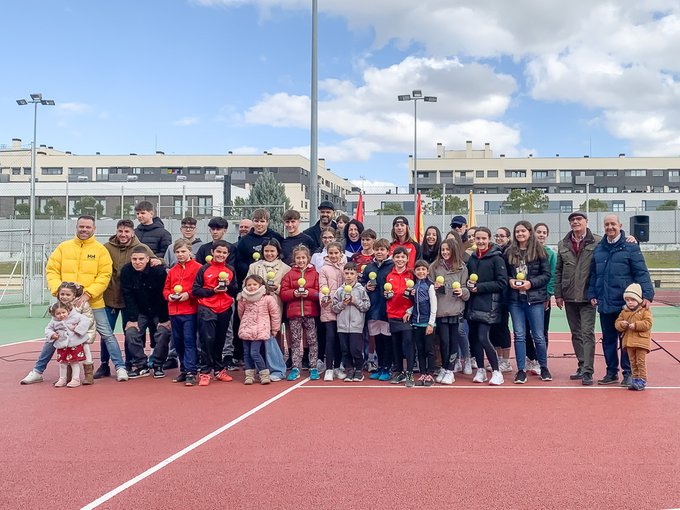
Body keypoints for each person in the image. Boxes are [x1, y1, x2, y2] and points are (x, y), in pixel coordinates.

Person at [21, 215, 129, 384]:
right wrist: (59, 291)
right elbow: (52, 270)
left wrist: (89, 294)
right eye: (81, 226)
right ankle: (37, 371)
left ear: (94, 229)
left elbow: (105, 275)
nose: (84, 230)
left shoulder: (101, 250)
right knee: (55, 335)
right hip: (66, 306)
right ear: (77, 227)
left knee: (107, 334)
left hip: (94, 303)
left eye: (88, 227)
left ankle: (120, 367)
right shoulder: (64, 248)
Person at [588, 214, 654, 387]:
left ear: (620, 225)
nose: (610, 227)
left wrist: (647, 294)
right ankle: (611, 373)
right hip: (605, 302)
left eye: (613, 224)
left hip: (627, 305)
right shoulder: (599, 248)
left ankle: (628, 373)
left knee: (627, 341)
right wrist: (592, 293)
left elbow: (641, 272)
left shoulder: (631, 246)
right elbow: (594, 274)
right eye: (606, 224)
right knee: (608, 339)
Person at [96, 219, 158, 379]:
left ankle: (131, 362)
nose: (123, 235)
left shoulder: (141, 248)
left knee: (131, 332)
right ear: (116, 231)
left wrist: (160, 261)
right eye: (120, 231)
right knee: (106, 333)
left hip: (130, 300)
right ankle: (104, 364)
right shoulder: (106, 248)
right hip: (109, 297)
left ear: (132, 233)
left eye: (127, 232)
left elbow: (155, 261)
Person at [554, 211, 601, 386]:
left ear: (586, 222)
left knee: (587, 333)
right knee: (576, 334)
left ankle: (588, 371)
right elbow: (558, 270)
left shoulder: (597, 241)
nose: (575, 222)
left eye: (579, 219)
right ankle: (581, 365)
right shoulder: (563, 244)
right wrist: (558, 294)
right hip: (569, 295)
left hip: (589, 296)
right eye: (572, 220)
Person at [504, 221, 552, 384]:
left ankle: (543, 367)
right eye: (517, 231)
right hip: (515, 301)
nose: (520, 234)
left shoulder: (540, 251)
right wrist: (510, 281)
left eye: (523, 231)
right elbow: (504, 274)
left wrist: (531, 283)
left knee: (538, 335)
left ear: (529, 232)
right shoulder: (509, 252)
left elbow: (546, 275)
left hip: (535, 299)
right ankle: (521, 370)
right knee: (519, 335)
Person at [121, 246, 171, 379]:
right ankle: (141, 365)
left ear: (148, 259)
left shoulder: (159, 271)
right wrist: (132, 319)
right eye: (134, 259)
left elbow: (163, 296)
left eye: (141, 259)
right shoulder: (126, 271)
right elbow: (128, 296)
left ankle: (158, 364)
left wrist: (164, 319)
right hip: (140, 311)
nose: (137, 262)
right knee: (131, 332)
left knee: (163, 332)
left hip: (157, 310)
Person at [192, 240, 238, 386]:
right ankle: (205, 372)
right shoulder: (204, 269)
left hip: (224, 308)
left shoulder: (230, 270)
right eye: (218, 252)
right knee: (207, 340)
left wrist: (228, 287)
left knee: (220, 340)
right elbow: (195, 290)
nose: (221, 255)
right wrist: (213, 291)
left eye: (224, 253)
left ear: (228, 254)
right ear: (212, 252)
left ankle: (219, 370)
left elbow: (235, 290)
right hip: (207, 308)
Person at [465, 227, 506, 386]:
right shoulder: (472, 258)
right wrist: (469, 285)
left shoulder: (497, 258)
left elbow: (501, 283)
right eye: (478, 238)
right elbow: (469, 279)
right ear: (474, 240)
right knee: (474, 338)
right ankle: (481, 370)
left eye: (484, 238)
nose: (481, 241)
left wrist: (479, 288)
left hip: (489, 304)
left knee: (483, 337)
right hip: (473, 304)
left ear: (489, 239)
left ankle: (497, 371)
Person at [246, 238, 290, 381]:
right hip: (255, 309)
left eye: (272, 251)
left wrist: (277, 289)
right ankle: (262, 368)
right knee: (257, 338)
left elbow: (287, 288)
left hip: (274, 306)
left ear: (278, 252)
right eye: (267, 251)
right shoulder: (254, 267)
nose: (269, 254)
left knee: (271, 337)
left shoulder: (285, 268)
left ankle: (277, 369)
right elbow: (246, 285)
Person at [430, 238, 470, 385]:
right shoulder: (434, 267)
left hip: (456, 310)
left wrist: (462, 291)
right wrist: (433, 288)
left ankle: (450, 370)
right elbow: (429, 286)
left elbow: (467, 289)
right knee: (444, 341)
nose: (445, 252)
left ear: (453, 250)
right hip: (440, 310)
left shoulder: (462, 267)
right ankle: (445, 367)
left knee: (453, 341)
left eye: (448, 249)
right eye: (443, 250)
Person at [163, 239, 202, 386]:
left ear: (190, 251)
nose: (180, 254)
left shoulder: (198, 268)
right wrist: (169, 296)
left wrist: (189, 294)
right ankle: (184, 370)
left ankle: (191, 371)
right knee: (178, 342)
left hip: (190, 311)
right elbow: (166, 289)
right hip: (174, 311)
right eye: (177, 252)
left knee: (189, 340)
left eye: (183, 251)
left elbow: (200, 288)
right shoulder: (172, 271)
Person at [280, 245, 320, 381]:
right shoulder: (289, 274)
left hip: (310, 313)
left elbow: (319, 292)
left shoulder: (315, 274)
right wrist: (294, 293)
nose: (301, 260)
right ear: (294, 259)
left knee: (312, 341)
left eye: (303, 258)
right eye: (298, 258)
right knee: (295, 341)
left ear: (308, 258)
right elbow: (283, 293)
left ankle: (313, 367)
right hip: (294, 313)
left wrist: (309, 293)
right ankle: (296, 367)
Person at [524, 222, 556, 375]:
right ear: (533, 233)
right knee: (525, 330)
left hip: (542, 298)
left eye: (544, 232)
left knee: (542, 331)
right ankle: (531, 358)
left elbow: (551, 276)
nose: (541, 235)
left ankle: (540, 360)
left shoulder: (550, 254)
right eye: (539, 232)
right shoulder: (527, 252)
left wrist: (548, 296)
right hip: (526, 297)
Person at [238, 274, 282, 385]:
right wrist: (245, 323)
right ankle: (249, 375)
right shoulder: (243, 298)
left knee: (254, 352)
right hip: (246, 328)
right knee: (247, 353)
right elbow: (241, 313)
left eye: (254, 284)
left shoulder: (267, 298)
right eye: (249, 285)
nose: (252, 287)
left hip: (260, 329)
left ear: (260, 285)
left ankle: (264, 373)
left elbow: (275, 313)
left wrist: (275, 329)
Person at [332, 262, 370, 382]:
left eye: (351, 273)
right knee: (345, 349)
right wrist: (342, 304)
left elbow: (366, 306)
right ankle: (350, 369)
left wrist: (355, 301)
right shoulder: (339, 290)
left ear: (356, 275)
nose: (349, 276)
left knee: (356, 349)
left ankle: (359, 369)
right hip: (342, 326)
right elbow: (334, 307)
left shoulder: (361, 290)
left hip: (356, 326)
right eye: (346, 273)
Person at [362, 239, 394, 382]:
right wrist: (366, 286)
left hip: (387, 310)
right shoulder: (369, 267)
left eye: (383, 249)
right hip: (373, 309)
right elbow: (362, 283)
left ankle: (387, 367)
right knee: (378, 340)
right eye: (377, 249)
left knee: (387, 340)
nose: (380, 252)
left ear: (388, 251)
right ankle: (380, 366)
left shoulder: (392, 266)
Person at [55, 282, 97, 385]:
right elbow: (54, 320)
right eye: (62, 294)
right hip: (67, 336)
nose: (64, 297)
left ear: (74, 295)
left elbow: (89, 319)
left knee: (86, 351)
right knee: (66, 352)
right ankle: (68, 376)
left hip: (82, 334)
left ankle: (89, 375)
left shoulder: (82, 304)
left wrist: (77, 328)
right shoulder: (58, 306)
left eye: (68, 295)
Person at [385, 246, 415, 386]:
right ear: (393, 258)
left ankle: (409, 373)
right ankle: (399, 372)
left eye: (403, 257)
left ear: (407, 259)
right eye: (397, 257)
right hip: (392, 314)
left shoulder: (411, 274)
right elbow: (384, 294)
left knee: (408, 342)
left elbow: (417, 296)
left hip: (407, 315)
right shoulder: (389, 275)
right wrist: (385, 295)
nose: (400, 259)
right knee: (395, 344)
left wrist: (410, 310)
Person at [45, 302, 92, 388]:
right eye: (58, 314)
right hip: (62, 344)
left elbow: (86, 320)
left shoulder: (75, 316)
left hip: (74, 344)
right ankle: (62, 378)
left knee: (74, 362)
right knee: (62, 363)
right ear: (54, 314)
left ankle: (75, 379)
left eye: (63, 312)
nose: (61, 315)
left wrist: (77, 328)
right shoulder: (54, 321)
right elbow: (48, 329)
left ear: (67, 311)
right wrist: (52, 334)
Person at [615, 283, 653, 391]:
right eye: (627, 300)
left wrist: (636, 325)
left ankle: (642, 380)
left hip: (641, 342)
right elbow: (617, 324)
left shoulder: (645, 310)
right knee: (633, 362)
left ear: (638, 300)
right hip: (629, 342)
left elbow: (648, 323)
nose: (630, 302)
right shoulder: (624, 312)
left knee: (640, 362)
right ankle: (635, 379)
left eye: (632, 300)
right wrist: (622, 324)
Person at [319, 242, 347, 381]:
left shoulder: (346, 267)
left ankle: (337, 367)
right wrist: (324, 299)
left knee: (340, 340)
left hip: (343, 308)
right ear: (327, 254)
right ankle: (328, 368)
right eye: (331, 253)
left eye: (336, 253)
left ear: (341, 253)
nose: (334, 256)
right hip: (329, 308)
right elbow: (322, 286)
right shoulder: (324, 269)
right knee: (330, 338)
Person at [235, 208, 284, 288]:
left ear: (267, 222)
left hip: (272, 279)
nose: (259, 224)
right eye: (256, 221)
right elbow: (239, 261)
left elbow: (281, 256)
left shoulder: (276, 237)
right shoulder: (244, 240)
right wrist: (251, 270)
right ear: (252, 222)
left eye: (262, 221)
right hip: (251, 281)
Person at [407, 260, 438, 387]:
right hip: (416, 323)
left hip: (427, 324)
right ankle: (423, 372)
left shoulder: (430, 286)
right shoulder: (413, 287)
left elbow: (434, 305)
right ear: (415, 272)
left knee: (429, 350)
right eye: (418, 269)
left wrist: (431, 323)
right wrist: (408, 311)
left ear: (427, 271)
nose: (421, 272)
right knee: (419, 350)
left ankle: (430, 373)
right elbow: (414, 304)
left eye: (423, 269)